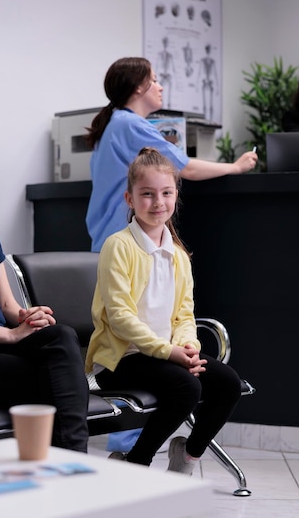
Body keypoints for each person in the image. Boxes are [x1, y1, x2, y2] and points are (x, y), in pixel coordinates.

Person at [0, 108, 140, 518]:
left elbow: (8, 307)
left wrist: (27, 318)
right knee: (56, 387)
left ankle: (65, 514)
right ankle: (72, 515)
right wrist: (8, 338)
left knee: (59, 335)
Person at [85, 147, 243, 474]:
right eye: (147, 194)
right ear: (129, 199)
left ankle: (187, 455)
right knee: (187, 387)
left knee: (227, 382)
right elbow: (120, 317)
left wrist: (189, 346)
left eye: (166, 193)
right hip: (121, 359)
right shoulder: (119, 246)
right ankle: (135, 464)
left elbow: (184, 315)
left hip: (165, 354)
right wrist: (168, 351)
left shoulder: (179, 256)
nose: (158, 202)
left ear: (175, 196)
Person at [85, 56, 258, 253]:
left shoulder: (114, 123)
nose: (161, 87)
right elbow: (187, 169)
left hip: (108, 238)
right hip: (125, 241)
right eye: (155, 80)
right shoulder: (131, 125)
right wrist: (236, 167)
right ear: (139, 87)